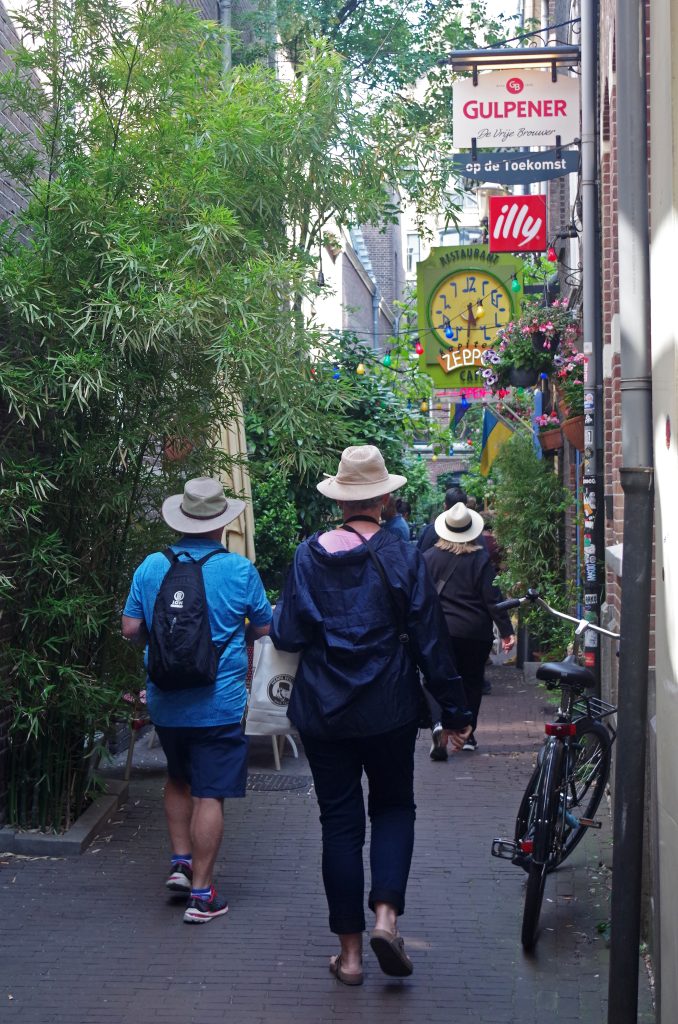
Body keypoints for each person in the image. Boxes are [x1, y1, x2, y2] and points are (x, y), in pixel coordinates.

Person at [270, 445, 471, 985]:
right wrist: (453, 712)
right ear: (385, 497)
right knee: (393, 808)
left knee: (338, 825)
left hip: (324, 710)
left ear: (340, 500)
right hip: (389, 708)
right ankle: (386, 918)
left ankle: (352, 959)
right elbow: (431, 641)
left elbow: (287, 633)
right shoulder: (403, 555)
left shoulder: (307, 555)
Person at [122, 477, 272, 924]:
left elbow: (130, 629)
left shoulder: (151, 566)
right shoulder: (240, 570)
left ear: (181, 520)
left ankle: (181, 863)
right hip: (219, 702)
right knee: (211, 793)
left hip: (167, 701)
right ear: (222, 525)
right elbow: (265, 629)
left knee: (178, 779)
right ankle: (203, 895)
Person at [423, 502, 515, 759]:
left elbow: (419, 598)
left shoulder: (428, 558)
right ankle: (467, 734)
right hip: (475, 632)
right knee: (472, 682)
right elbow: (492, 598)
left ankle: (439, 723)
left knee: (436, 679)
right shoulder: (480, 559)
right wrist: (506, 630)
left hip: (441, 631)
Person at [416, 486, 468, 554]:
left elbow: (419, 557)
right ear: (466, 507)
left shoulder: (431, 530)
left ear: (445, 506)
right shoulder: (475, 535)